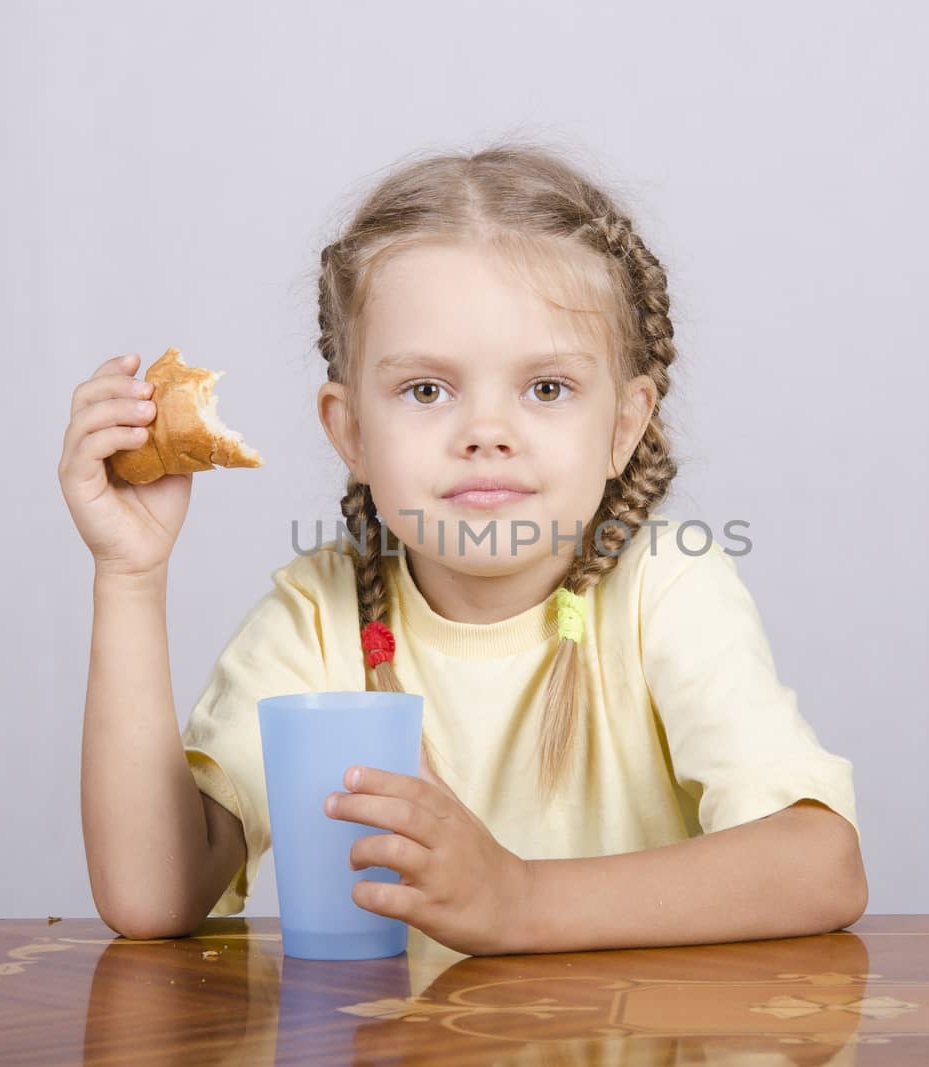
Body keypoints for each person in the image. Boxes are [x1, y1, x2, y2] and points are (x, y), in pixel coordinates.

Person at [57, 141, 867, 961]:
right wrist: (129, 575)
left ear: (624, 425)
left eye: (546, 388)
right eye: (427, 390)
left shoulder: (665, 588)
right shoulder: (319, 617)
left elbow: (822, 866)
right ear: (351, 432)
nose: (486, 433)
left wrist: (519, 901)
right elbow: (154, 894)